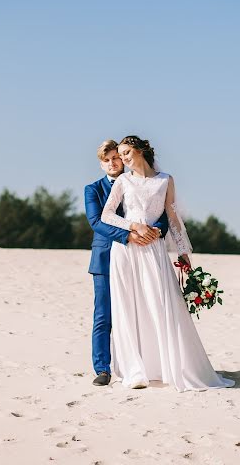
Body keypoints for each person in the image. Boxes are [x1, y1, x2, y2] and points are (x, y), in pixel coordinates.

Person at [101, 135, 235, 392]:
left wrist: (183, 251)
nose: (123, 158)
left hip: (153, 249)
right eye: (121, 154)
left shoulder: (165, 180)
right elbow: (107, 214)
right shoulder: (123, 181)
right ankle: (136, 370)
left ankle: (166, 366)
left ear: (141, 151)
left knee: (158, 303)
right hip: (126, 249)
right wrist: (133, 225)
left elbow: (172, 217)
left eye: (127, 152)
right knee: (129, 307)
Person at [84, 140, 169, 387]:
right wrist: (128, 235)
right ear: (101, 164)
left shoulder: (137, 182)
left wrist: (157, 231)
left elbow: (160, 213)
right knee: (103, 315)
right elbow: (96, 222)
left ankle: (140, 364)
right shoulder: (93, 189)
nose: (112, 163)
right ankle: (102, 368)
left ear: (122, 159)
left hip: (140, 257)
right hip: (105, 257)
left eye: (115, 158)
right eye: (106, 160)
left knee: (138, 311)